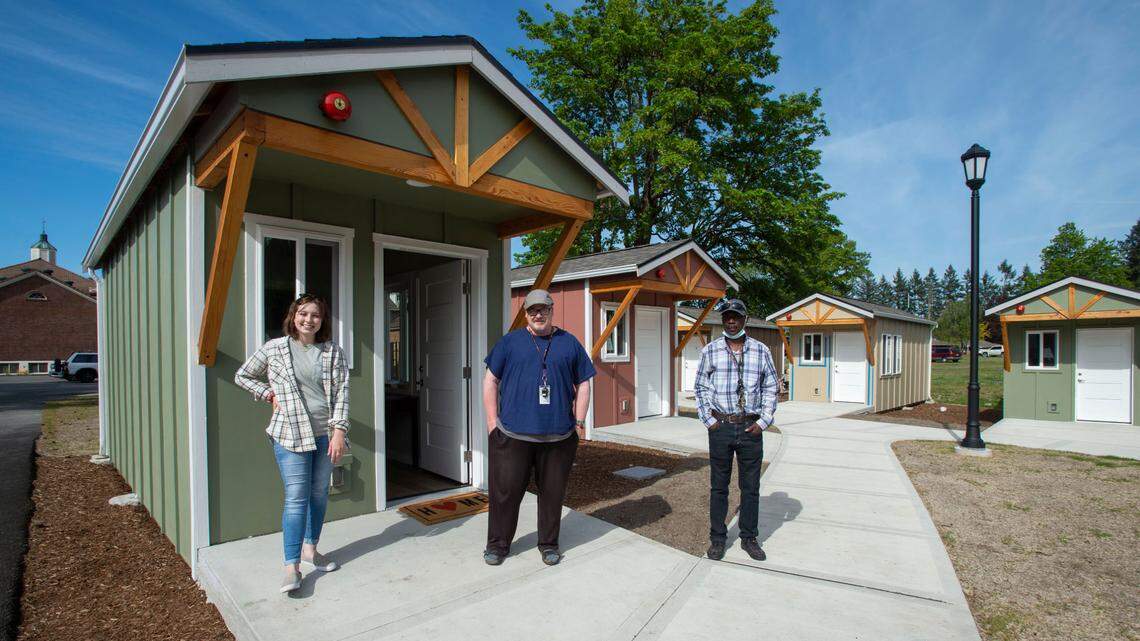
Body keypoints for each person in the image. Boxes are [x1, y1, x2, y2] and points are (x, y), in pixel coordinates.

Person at [235, 293, 350, 593]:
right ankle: (291, 566)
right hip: (289, 434)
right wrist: (268, 394)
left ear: (322, 321)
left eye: (315, 315)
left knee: (319, 494)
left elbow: (342, 394)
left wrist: (339, 431)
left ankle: (311, 550)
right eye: (303, 313)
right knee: (297, 497)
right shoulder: (275, 349)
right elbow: (243, 375)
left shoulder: (332, 352)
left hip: (325, 434)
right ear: (293, 316)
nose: (308, 320)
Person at [482, 289, 595, 566]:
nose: (538, 314)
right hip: (511, 435)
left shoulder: (569, 343)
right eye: (532, 310)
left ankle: (548, 544)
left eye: (543, 309)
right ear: (525, 314)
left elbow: (584, 383)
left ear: (551, 310)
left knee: (552, 494)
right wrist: (491, 423)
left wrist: (579, 422)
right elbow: (490, 380)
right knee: (504, 494)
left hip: (558, 436)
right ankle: (498, 545)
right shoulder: (509, 343)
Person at [693, 298, 778, 562]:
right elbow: (700, 387)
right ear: (723, 320)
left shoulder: (761, 350)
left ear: (745, 320)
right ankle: (718, 539)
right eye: (727, 316)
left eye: (736, 316)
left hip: (750, 428)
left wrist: (763, 422)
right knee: (719, 487)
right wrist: (709, 421)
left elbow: (772, 387)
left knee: (750, 487)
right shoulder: (711, 351)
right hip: (721, 427)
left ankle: (749, 538)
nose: (731, 321)